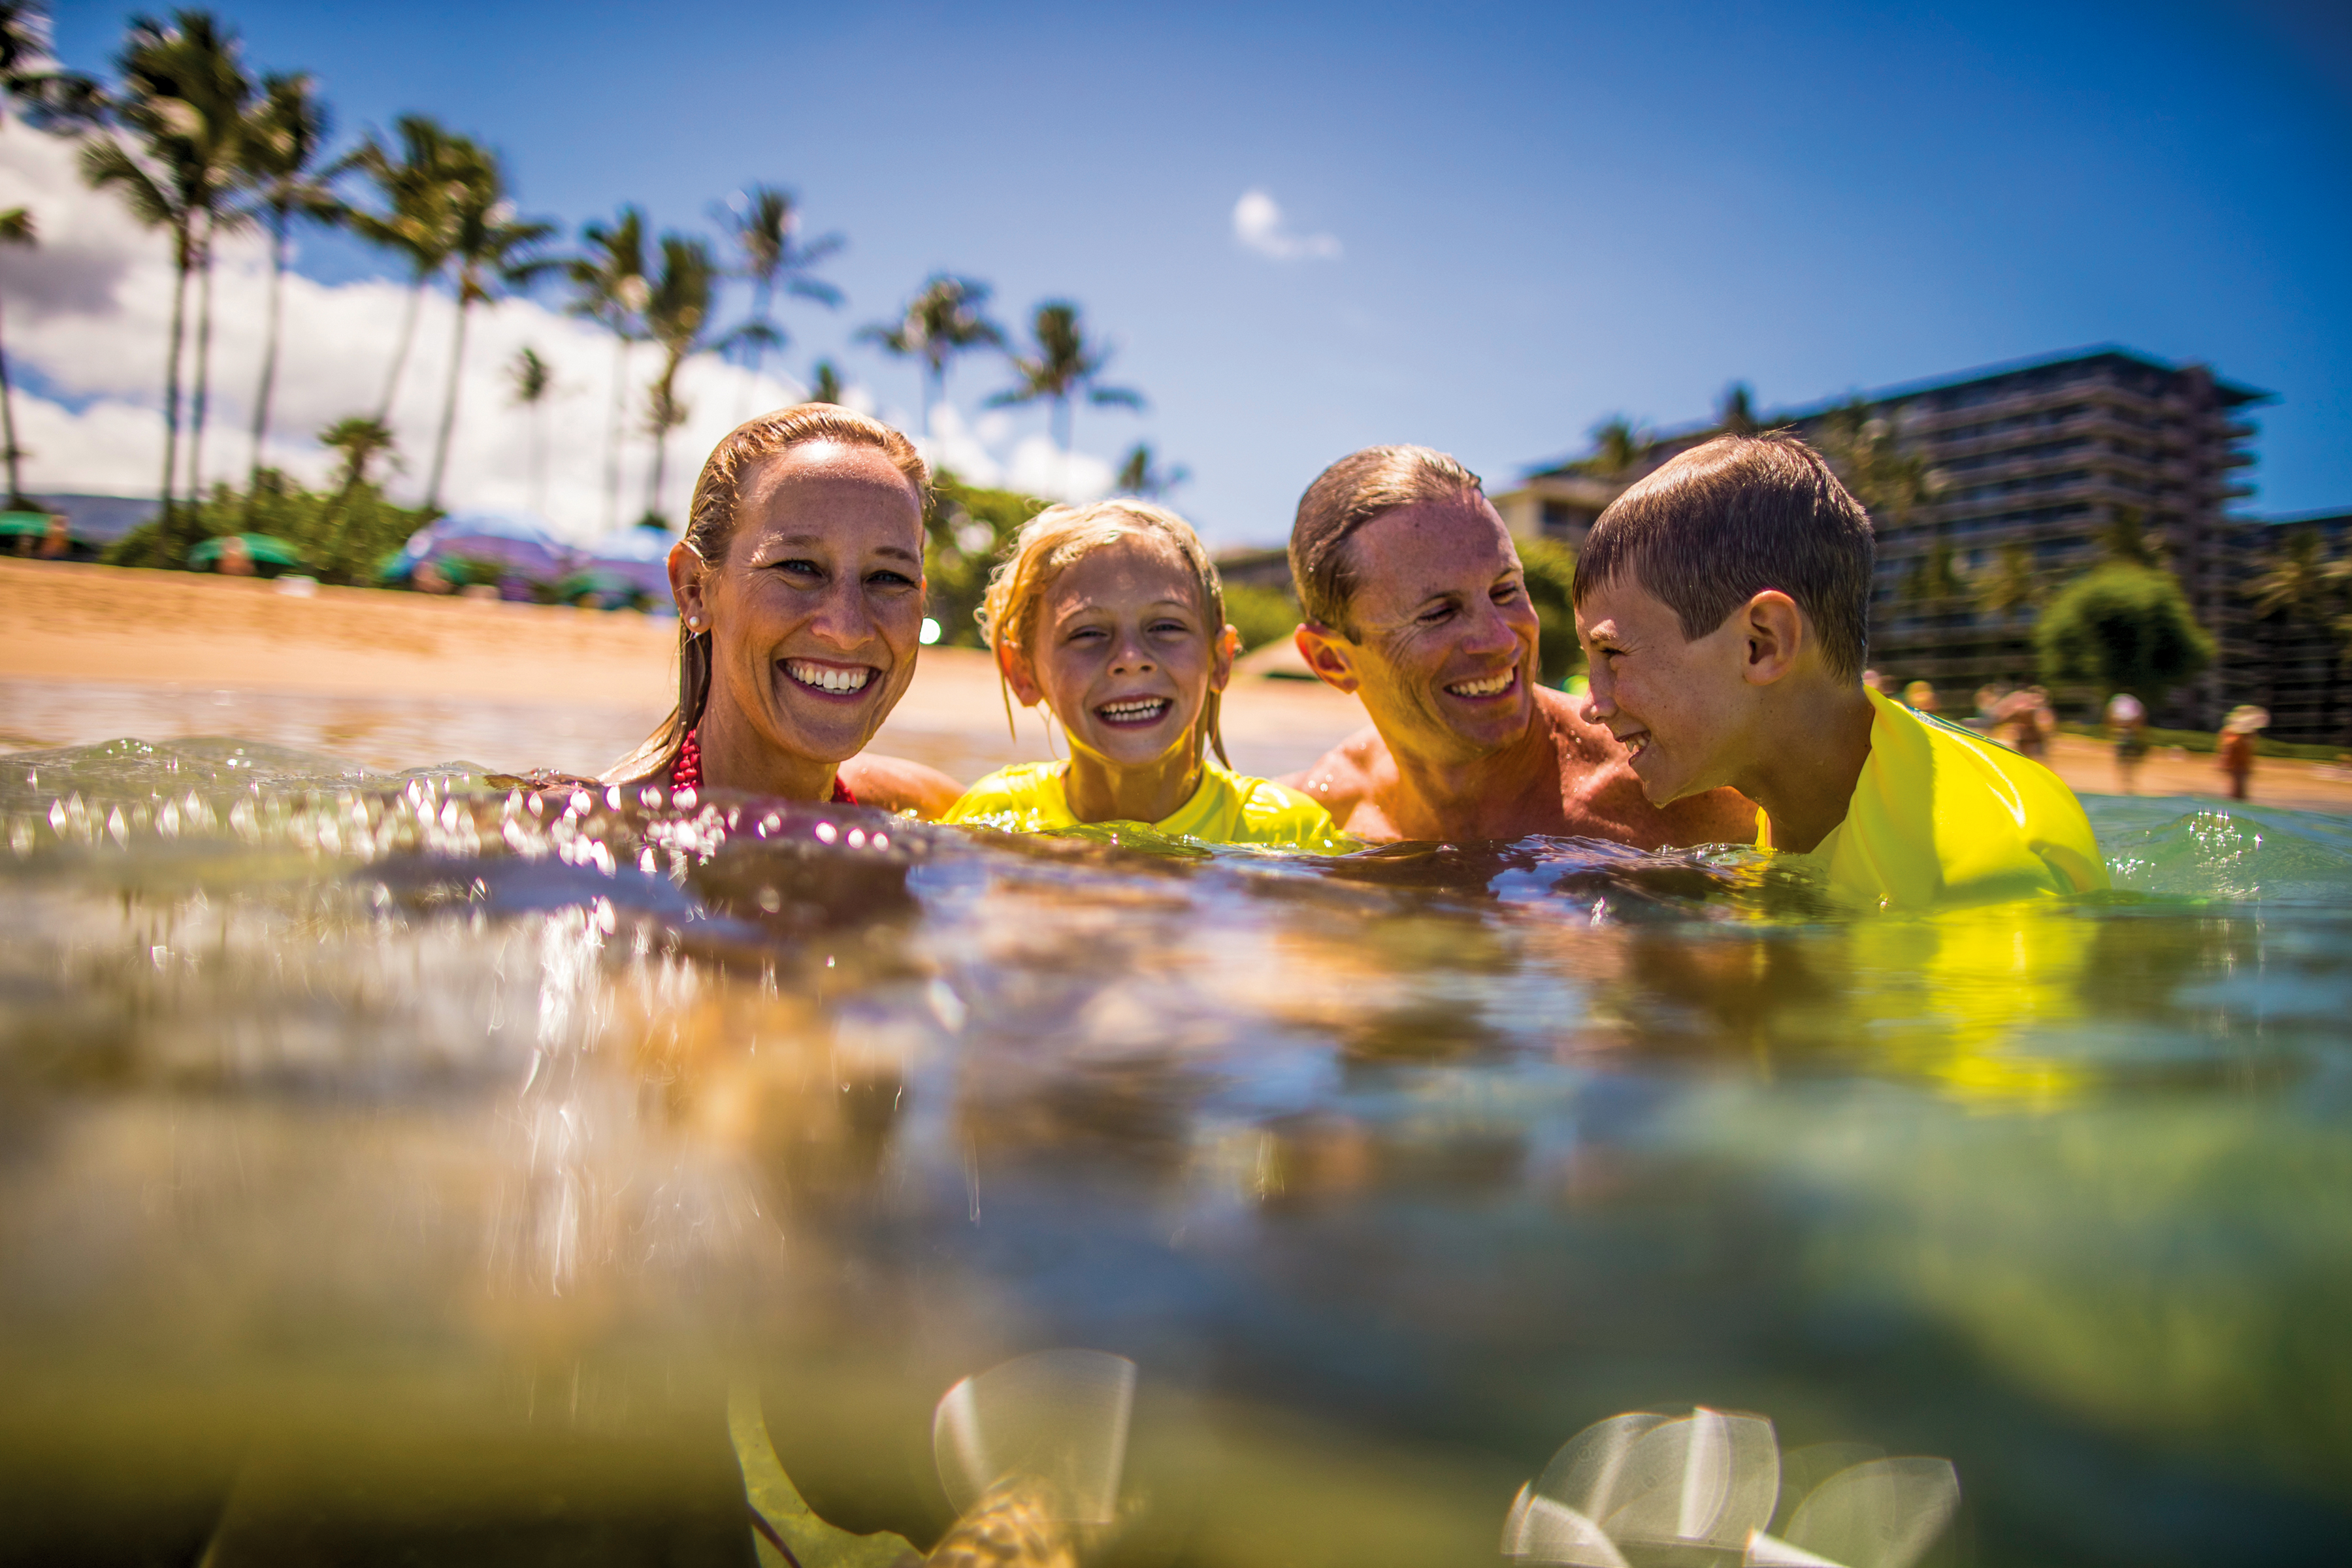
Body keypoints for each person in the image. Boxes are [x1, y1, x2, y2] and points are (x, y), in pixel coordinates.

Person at [1572, 432, 2108, 910]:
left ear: (1763, 644)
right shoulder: (1812, 800)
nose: (1592, 705)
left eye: (1612, 655)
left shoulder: (1976, 885)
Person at [1281, 445, 1757, 847]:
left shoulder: (1681, 797)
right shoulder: (1320, 819)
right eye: (1440, 613)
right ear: (1333, 660)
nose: (1502, 640)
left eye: (1506, 591)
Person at [604, 404, 962, 816]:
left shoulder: (924, 810)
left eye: (888, 577)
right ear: (695, 590)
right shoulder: (589, 843)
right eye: (799, 568)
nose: (847, 629)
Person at [943, 498, 1349, 849]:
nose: (1131, 658)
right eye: (1088, 633)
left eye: (1166, 627)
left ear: (1221, 661)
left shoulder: (1285, 832)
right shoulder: (996, 818)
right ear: (1023, 674)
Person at [2218, 704, 2266, 802]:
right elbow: (2228, 749)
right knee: (2237, 790)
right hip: (2236, 765)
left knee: (2240, 790)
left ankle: (2237, 804)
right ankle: (2236, 805)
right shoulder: (2232, 734)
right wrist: (2224, 762)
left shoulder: (2248, 734)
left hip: (2242, 765)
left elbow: (2246, 751)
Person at [2105, 691, 2148, 794]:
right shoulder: (2131, 703)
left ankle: (2126, 779)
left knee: (2125, 758)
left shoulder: (2118, 701)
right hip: (2127, 734)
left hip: (2124, 734)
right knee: (2125, 758)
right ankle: (2126, 779)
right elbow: (2141, 717)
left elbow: (2110, 716)